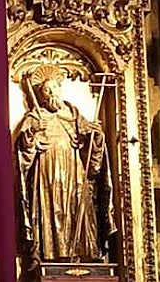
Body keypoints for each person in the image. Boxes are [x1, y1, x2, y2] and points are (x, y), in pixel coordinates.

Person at [14, 65, 112, 263]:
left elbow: (92, 147)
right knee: (51, 209)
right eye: (46, 91)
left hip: (73, 169)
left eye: (54, 89)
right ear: (40, 96)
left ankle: (83, 253)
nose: (52, 94)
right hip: (47, 171)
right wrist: (32, 132)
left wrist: (96, 136)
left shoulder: (74, 115)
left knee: (78, 206)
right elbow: (24, 152)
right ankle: (50, 255)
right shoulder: (34, 117)